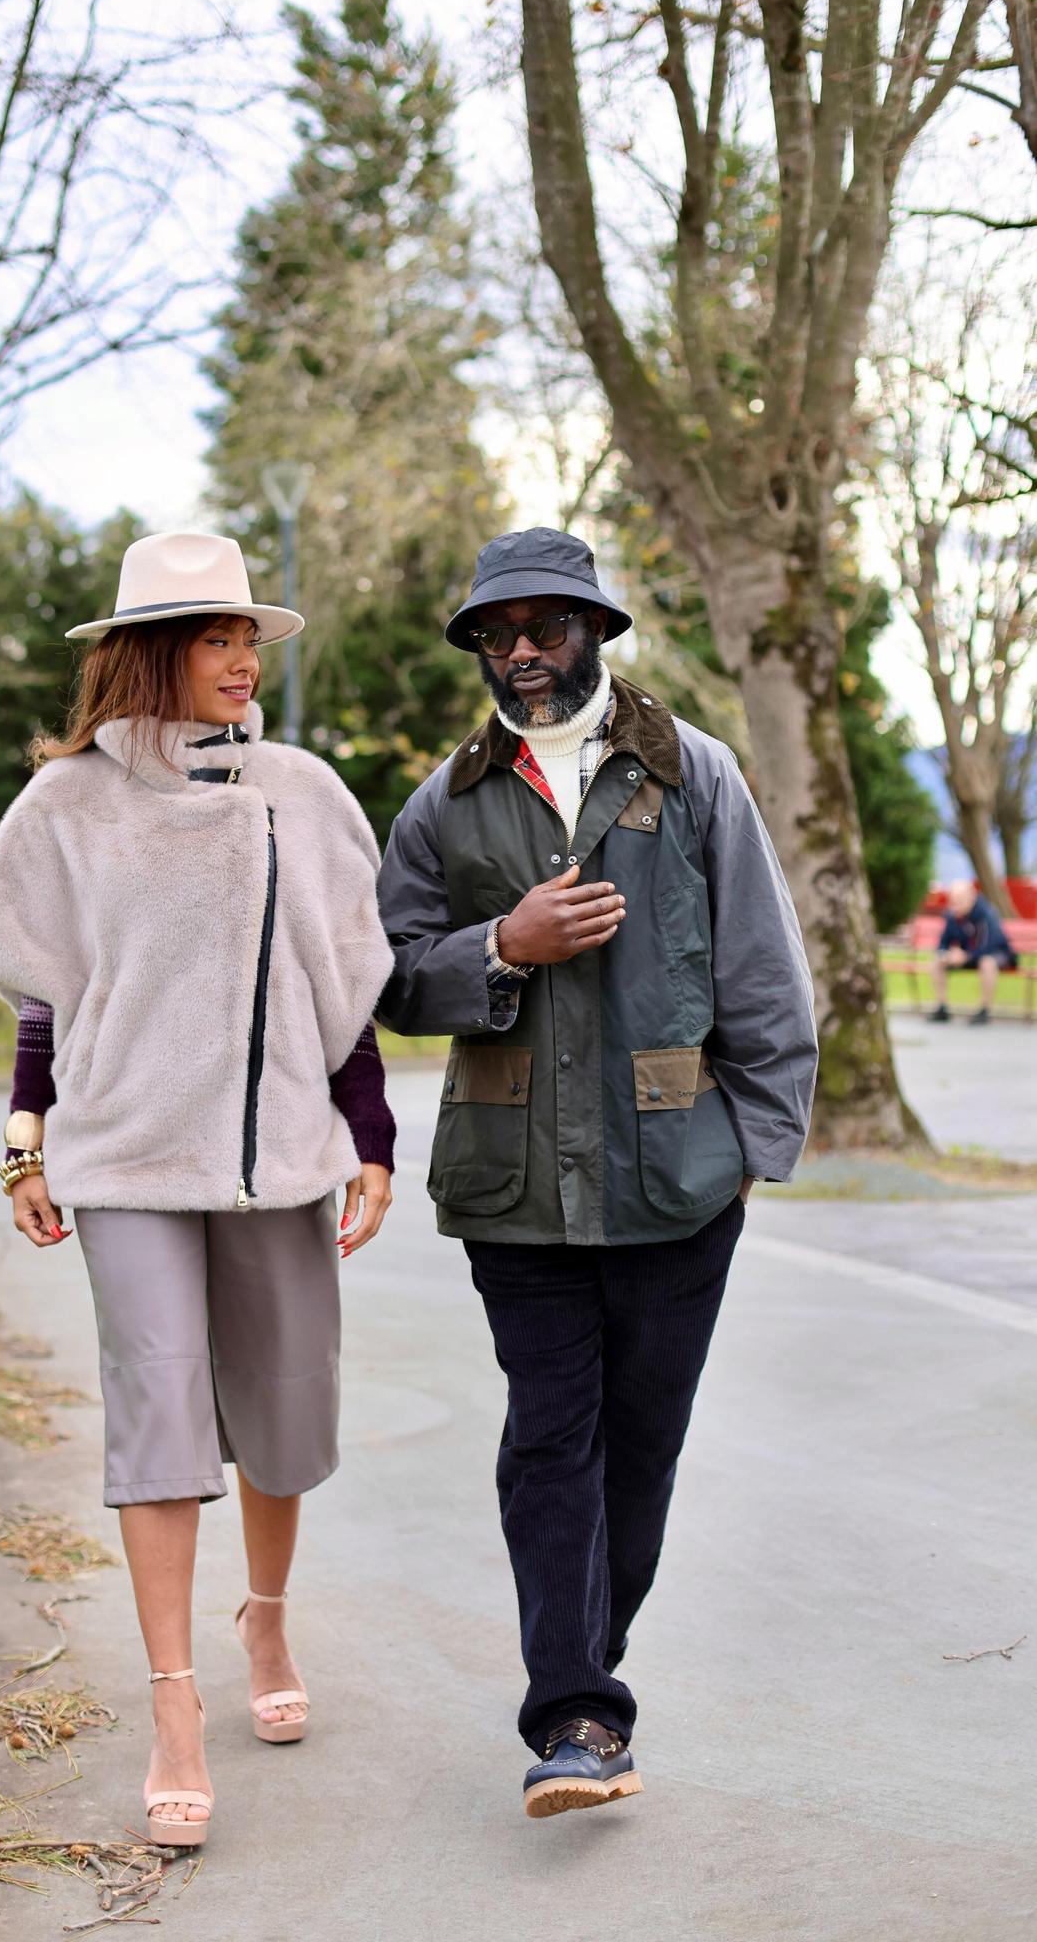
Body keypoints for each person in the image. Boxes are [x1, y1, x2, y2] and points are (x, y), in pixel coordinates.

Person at [0, 530, 396, 1849]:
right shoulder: (67, 805)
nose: (242, 658)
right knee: (157, 1414)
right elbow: (47, 990)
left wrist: (369, 1137)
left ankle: (265, 1622)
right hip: (126, 1159)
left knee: (283, 1408)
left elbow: (340, 983)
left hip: (280, 1157)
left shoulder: (301, 794)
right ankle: (174, 1704)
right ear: (149, 654)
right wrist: (24, 1139)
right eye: (213, 638)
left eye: (247, 636)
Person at [376, 525, 818, 1820]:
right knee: (547, 1440)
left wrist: (750, 1153)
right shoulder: (444, 801)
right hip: (510, 1189)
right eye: (495, 632)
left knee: (640, 1444)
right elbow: (388, 979)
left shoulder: (695, 774)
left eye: (545, 626)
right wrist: (499, 946)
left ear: (595, 632)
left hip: (679, 1181)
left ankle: (581, 1661)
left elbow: (762, 972)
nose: (519, 650)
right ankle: (574, 1712)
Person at [928, 879, 1016, 1025]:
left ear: (971, 897)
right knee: (938, 961)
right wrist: (946, 954)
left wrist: (966, 956)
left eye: (959, 900)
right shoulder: (952, 916)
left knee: (987, 963)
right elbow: (943, 942)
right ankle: (942, 1007)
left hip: (998, 955)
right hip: (967, 956)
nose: (955, 905)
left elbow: (989, 946)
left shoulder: (986, 914)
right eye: (953, 901)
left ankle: (984, 1009)